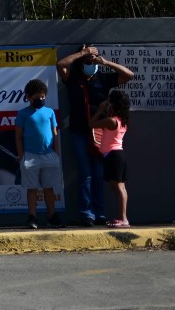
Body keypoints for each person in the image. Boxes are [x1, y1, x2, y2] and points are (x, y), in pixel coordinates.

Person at [57, 44, 134, 225]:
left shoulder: (103, 78)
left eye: (93, 59)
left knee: (99, 173)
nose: (90, 62)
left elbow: (129, 75)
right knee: (85, 173)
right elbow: (60, 65)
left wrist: (105, 62)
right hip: (78, 130)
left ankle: (99, 213)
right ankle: (87, 213)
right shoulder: (73, 77)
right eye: (87, 60)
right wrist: (83, 53)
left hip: (100, 132)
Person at [14, 78, 64, 229]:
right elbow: (18, 136)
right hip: (30, 156)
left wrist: (56, 152)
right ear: (29, 97)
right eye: (37, 97)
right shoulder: (22, 114)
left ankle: (51, 215)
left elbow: (55, 133)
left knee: (49, 188)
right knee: (32, 188)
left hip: (49, 155)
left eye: (43, 96)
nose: (40, 99)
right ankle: (32, 216)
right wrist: (21, 155)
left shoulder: (50, 112)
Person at [90, 88, 131, 227]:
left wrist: (100, 110)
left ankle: (123, 218)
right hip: (118, 155)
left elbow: (92, 124)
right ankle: (122, 218)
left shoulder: (111, 121)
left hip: (113, 156)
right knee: (120, 187)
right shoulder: (122, 120)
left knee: (118, 187)